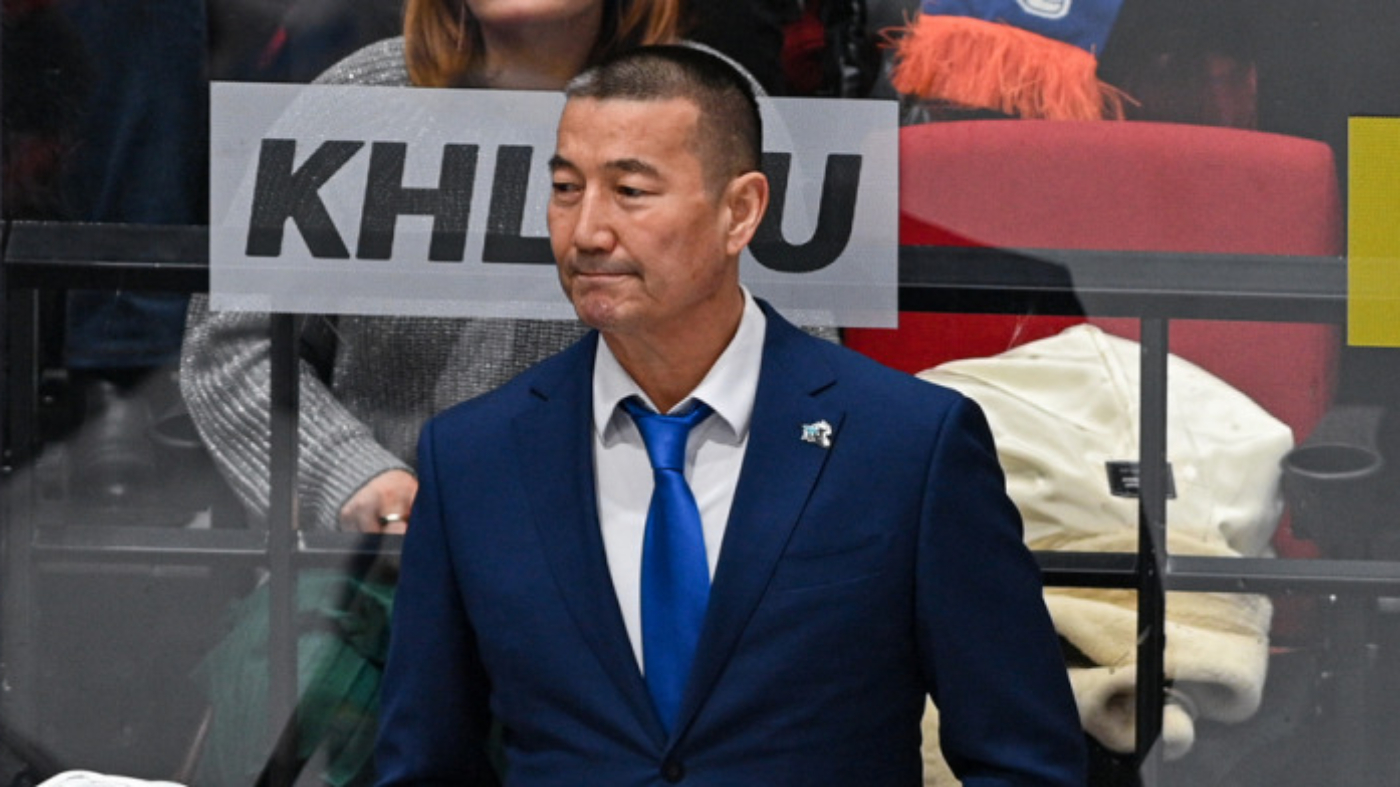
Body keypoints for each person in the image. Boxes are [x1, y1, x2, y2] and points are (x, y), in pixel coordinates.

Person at [375, 44, 1087, 785]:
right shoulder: (475, 458)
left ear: (739, 211)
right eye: (565, 188)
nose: (585, 232)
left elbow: (1025, 761)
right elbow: (423, 762)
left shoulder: (906, 444)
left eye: (630, 191)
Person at [180, 0, 685, 533]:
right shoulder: (363, 99)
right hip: (388, 561)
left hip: (641, 555)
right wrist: (350, 478)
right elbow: (231, 346)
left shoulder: (708, 107)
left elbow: (749, 367)